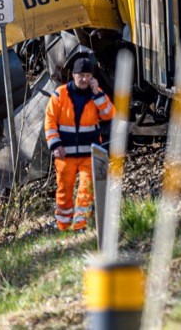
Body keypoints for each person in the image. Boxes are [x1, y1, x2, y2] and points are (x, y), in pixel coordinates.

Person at [43, 57, 115, 231]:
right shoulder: (60, 94)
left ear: (92, 78)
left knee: (86, 190)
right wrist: (55, 145)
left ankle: (80, 226)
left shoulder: (96, 94)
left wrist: (97, 93)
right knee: (64, 191)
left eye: (88, 75)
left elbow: (109, 114)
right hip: (64, 154)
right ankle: (63, 226)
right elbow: (50, 121)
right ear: (73, 75)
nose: (84, 79)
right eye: (81, 75)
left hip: (89, 154)